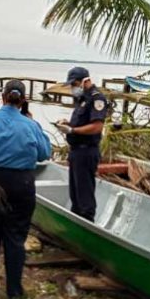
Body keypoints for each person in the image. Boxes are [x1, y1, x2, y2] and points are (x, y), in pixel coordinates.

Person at [0, 80, 51, 299]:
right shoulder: (31, 125)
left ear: (3, 96)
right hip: (22, 185)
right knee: (16, 237)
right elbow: (44, 153)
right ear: (23, 100)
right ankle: (14, 291)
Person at [56, 67, 108, 222]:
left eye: (75, 84)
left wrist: (72, 130)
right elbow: (81, 122)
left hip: (86, 153)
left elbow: (97, 126)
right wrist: (67, 124)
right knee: (75, 195)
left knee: (85, 196)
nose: (73, 88)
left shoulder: (96, 98)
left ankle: (87, 224)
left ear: (85, 81)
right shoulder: (82, 99)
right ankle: (76, 223)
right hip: (76, 152)